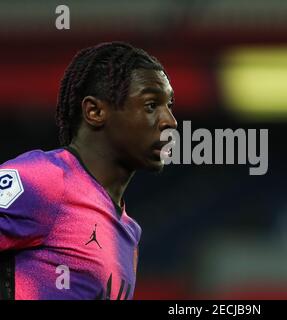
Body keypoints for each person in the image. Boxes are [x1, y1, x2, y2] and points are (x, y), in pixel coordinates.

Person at [0, 42, 177, 300]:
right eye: (151, 105)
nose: (169, 121)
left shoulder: (129, 232)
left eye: (169, 105)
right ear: (95, 111)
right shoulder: (45, 180)